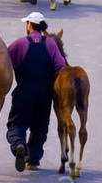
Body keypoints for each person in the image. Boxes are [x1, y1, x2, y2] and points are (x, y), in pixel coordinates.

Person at [6, 12, 66, 170]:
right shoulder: (51, 44)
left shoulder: (20, 43)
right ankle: (32, 159)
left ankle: (19, 144)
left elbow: (4, 63)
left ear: (29, 25)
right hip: (45, 94)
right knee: (40, 127)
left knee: (16, 124)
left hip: (24, 92)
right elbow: (61, 67)